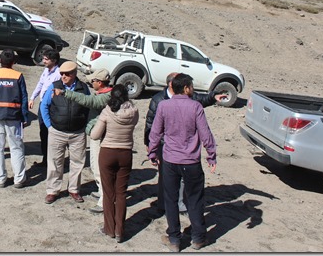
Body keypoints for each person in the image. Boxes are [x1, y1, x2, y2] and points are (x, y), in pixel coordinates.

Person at [148, 73, 217, 252]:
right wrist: (211, 155)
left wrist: (152, 152)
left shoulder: (163, 106)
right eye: (191, 86)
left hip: (170, 160)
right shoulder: (196, 107)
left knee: (170, 200)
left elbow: (155, 132)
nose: (193, 89)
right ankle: (198, 238)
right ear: (186, 88)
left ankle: (174, 240)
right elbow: (205, 133)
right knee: (195, 199)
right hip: (191, 161)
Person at [144, 72, 227, 214]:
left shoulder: (188, 98)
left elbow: (202, 99)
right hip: (166, 146)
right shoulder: (159, 100)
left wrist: (213, 96)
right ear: (172, 84)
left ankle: (180, 204)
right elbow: (151, 124)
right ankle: (164, 204)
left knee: (182, 179)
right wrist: (150, 145)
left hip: (185, 150)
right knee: (165, 178)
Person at [90, 84, 138, 243]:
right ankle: (119, 231)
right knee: (121, 193)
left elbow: (95, 135)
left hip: (108, 152)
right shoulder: (134, 111)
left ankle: (109, 228)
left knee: (108, 192)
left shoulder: (107, 111)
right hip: (125, 153)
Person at [60, 68, 112, 214]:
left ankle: (104, 200)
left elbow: (89, 101)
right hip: (98, 135)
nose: (91, 83)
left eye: (93, 81)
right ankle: (102, 192)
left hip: (100, 137)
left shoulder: (105, 97)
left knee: (99, 168)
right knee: (97, 167)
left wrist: (66, 93)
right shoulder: (107, 94)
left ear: (100, 82)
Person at [40, 61, 90, 204]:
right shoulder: (54, 86)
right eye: (62, 74)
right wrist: (49, 126)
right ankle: (52, 191)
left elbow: (88, 106)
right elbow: (44, 106)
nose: (63, 77)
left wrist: (85, 127)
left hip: (78, 133)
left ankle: (74, 189)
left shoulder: (83, 88)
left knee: (77, 163)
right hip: (57, 131)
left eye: (67, 74)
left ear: (74, 74)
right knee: (55, 162)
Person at [0, 49, 30, 188]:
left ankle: (1, 179)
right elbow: (24, 98)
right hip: (14, 117)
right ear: (13, 62)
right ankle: (19, 179)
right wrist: (25, 116)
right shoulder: (18, 76)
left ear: (0, 61)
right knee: (16, 148)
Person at [27, 48, 61, 167]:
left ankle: (50, 160)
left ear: (54, 60)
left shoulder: (58, 74)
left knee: (51, 132)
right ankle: (46, 159)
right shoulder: (46, 71)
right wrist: (32, 98)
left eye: (46, 59)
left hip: (52, 107)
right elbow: (40, 84)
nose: (44, 61)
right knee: (43, 131)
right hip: (43, 105)